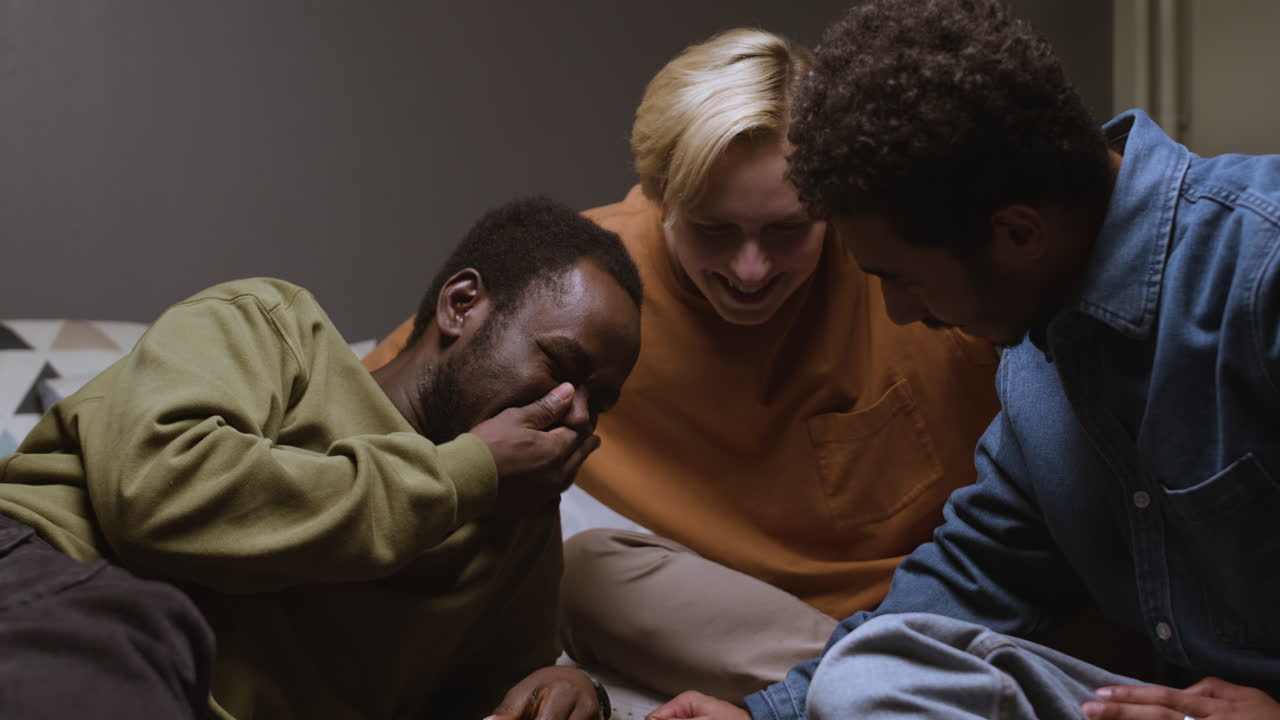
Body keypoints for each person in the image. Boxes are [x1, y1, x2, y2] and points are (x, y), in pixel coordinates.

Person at [647, 1, 1280, 719]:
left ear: (1016, 233)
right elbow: (978, 567)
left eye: (903, 278)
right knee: (862, 683)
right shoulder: (1040, 354)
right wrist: (767, 715)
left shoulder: (1264, 269)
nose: (899, 313)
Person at [363, 28, 1002, 701]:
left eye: (788, 229)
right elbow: (380, 401)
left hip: (932, 612)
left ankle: (899, 685)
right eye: (714, 229)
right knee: (586, 574)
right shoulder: (584, 291)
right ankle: (893, 690)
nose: (751, 271)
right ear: (661, 197)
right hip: (733, 631)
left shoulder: (902, 271)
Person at [0, 196, 643, 720]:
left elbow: (489, 689)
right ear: (462, 305)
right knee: (145, 627)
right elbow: (158, 496)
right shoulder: (275, 330)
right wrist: (464, 473)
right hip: (62, 578)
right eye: (562, 367)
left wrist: (570, 691)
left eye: (601, 401)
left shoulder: (512, 510)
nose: (578, 414)